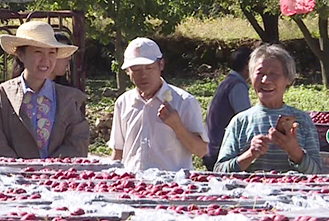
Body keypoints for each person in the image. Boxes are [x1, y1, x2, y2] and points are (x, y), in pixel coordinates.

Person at [0, 21, 90, 158]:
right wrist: (23, 171)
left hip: (58, 177)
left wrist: (51, 169)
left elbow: (78, 143)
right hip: (12, 177)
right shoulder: (1, 96)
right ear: (21, 55)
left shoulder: (69, 99)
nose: (46, 60)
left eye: (51, 53)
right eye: (38, 52)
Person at [214, 44, 321, 173]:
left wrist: (294, 151)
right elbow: (219, 172)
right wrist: (250, 154)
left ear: (288, 79)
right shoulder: (240, 122)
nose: (265, 80)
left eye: (274, 74)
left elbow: (317, 173)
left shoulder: (302, 121)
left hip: (292, 192)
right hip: (249, 192)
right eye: (260, 73)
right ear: (250, 77)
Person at [108, 37, 209, 171]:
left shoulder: (184, 102)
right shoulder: (123, 103)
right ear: (128, 72)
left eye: (149, 68)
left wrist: (177, 126)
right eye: (136, 70)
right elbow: (118, 152)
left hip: (172, 187)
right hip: (133, 185)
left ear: (161, 65)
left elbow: (202, 151)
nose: (143, 75)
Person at [203, 46, 253, 170]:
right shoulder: (237, 86)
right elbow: (247, 121)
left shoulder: (228, 82)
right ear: (248, 66)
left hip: (213, 148)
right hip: (221, 153)